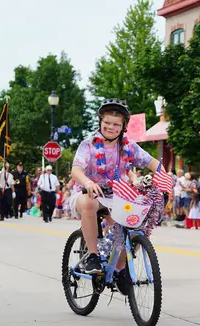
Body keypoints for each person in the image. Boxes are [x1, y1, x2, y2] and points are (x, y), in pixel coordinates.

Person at [69, 98, 163, 283]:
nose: (111, 127)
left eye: (116, 124)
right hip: (87, 193)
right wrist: (88, 183)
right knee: (89, 203)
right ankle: (93, 256)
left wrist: (166, 178)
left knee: (137, 222)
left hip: (117, 196)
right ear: (100, 122)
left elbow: (153, 163)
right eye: (107, 123)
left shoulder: (129, 147)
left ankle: (119, 270)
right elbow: (75, 170)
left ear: (123, 127)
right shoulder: (88, 145)